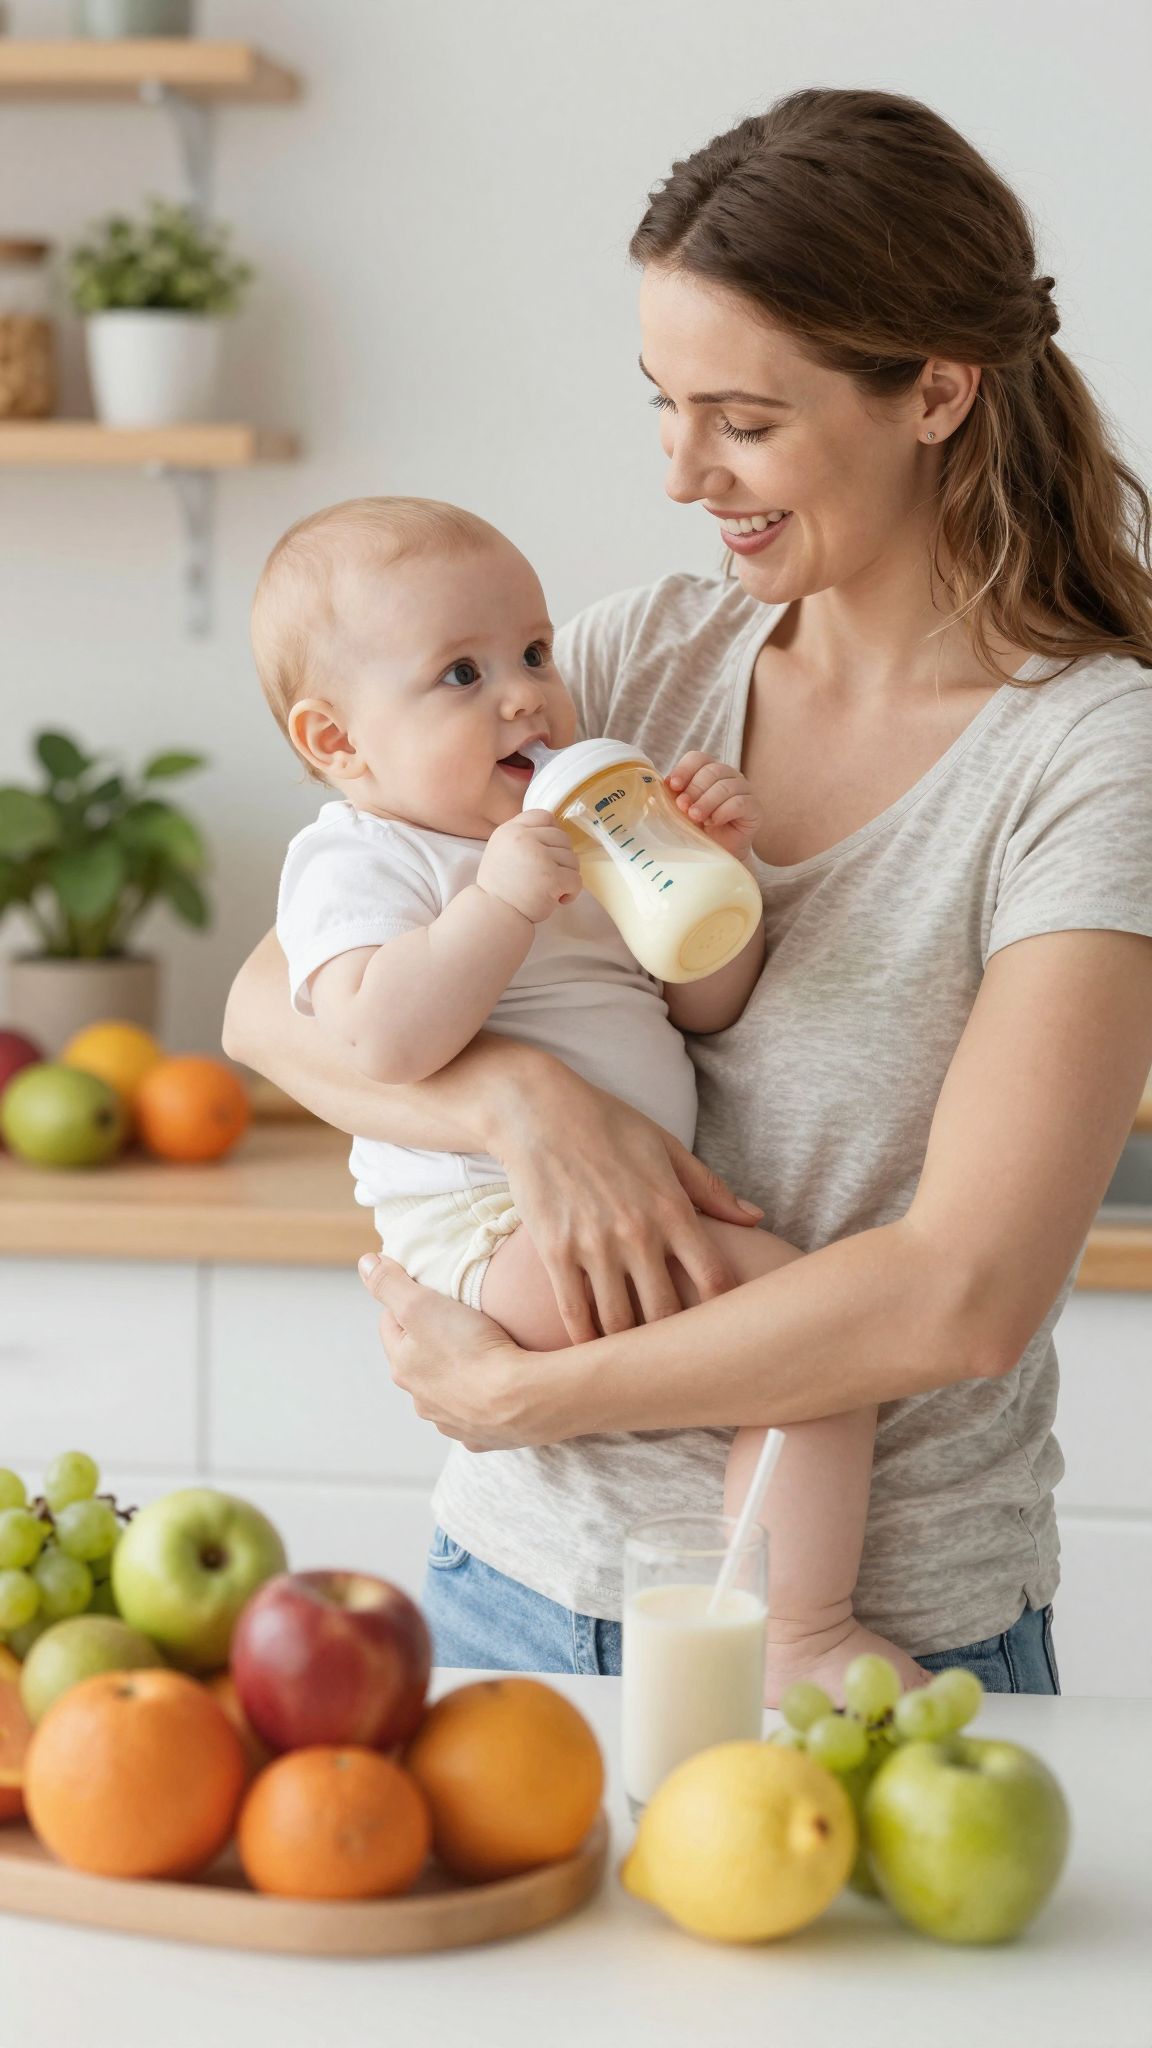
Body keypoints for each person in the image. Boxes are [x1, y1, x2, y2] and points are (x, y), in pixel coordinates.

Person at [224, 87, 1152, 1692]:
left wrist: (530, 1397)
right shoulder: (630, 661)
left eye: (743, 417)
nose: (681, 475)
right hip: (514, 1589)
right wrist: (523, 1106)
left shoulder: (1087, 757)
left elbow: (963, 1302)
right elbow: (276, 1002)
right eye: (661, 404)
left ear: (936, 390)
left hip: (878, 1649)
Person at [252, 492, 926, 1700]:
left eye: (532, 651)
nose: (525, 693)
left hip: (595, 1207)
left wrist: (720, 875)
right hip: (490, 1227)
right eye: (459, 673)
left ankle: (780, 1616)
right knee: (825, 1344)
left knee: (811, 1340)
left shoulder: (576, 828)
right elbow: (380, 1038)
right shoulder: (364, 858)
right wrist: (498, 906)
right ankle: (799, 1632)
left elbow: (705, 1007)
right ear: (338, 741)